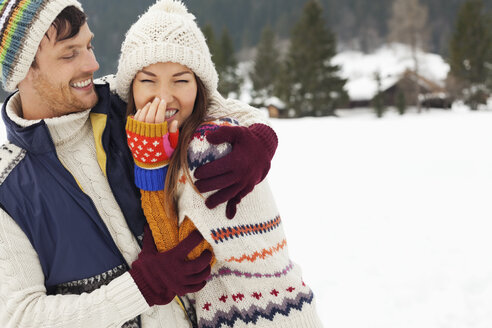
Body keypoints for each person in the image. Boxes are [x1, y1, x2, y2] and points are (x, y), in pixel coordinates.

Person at [0, 1, 277, 327]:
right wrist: (141, 288)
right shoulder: (9, 188)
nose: (92, 63)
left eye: (89, 45)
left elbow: (209, 101)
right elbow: (21, 317)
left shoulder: (124, 99)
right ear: (22, 72)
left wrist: (261, 138)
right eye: (69, 53)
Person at [117, 1, 323, 327]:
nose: (164, 96)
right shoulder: (202, 134)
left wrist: (150, 163)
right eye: (148, 80)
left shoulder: (206, 148)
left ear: (200, 87)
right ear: (129, 87)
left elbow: (184, 261)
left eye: (181, 80)